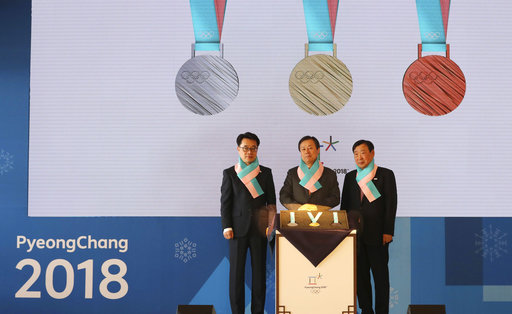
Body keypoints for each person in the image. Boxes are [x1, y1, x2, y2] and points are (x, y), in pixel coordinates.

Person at [220, 132, 276, 314]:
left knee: (259, 275)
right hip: (237, 230)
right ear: (238, 149)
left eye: (253, 148)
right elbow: (226, 203)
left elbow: (271, 203)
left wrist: (270, 225)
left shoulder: (265, 173)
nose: (249, 152)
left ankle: (257, 311)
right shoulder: (230, 173)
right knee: (236, 275)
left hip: (260, 231)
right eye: (245, 148)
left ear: (257, 150)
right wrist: (226, 226)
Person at [341, 140, 397, 314]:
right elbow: (345, 206)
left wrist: (388, 230)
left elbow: (391, 204)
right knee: (360, 277)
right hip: (356, 236)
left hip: (378, 234)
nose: (359, 157)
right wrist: (345, 233)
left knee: (380, 278)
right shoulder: (350, 177)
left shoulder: (386, 174)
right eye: (356, 153)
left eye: (363, 152)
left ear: (372, 153)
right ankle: (366, 309)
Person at [279, 135, 340, 210]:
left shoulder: (330, 174)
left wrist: (316, 207)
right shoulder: (292, 173)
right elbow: (284, 195)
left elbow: (335, 198)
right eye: (303, 149)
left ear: (318, 150)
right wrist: (299, 208)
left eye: (310, 148)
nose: (307, 152)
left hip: (321, 217)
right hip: (297, 217)